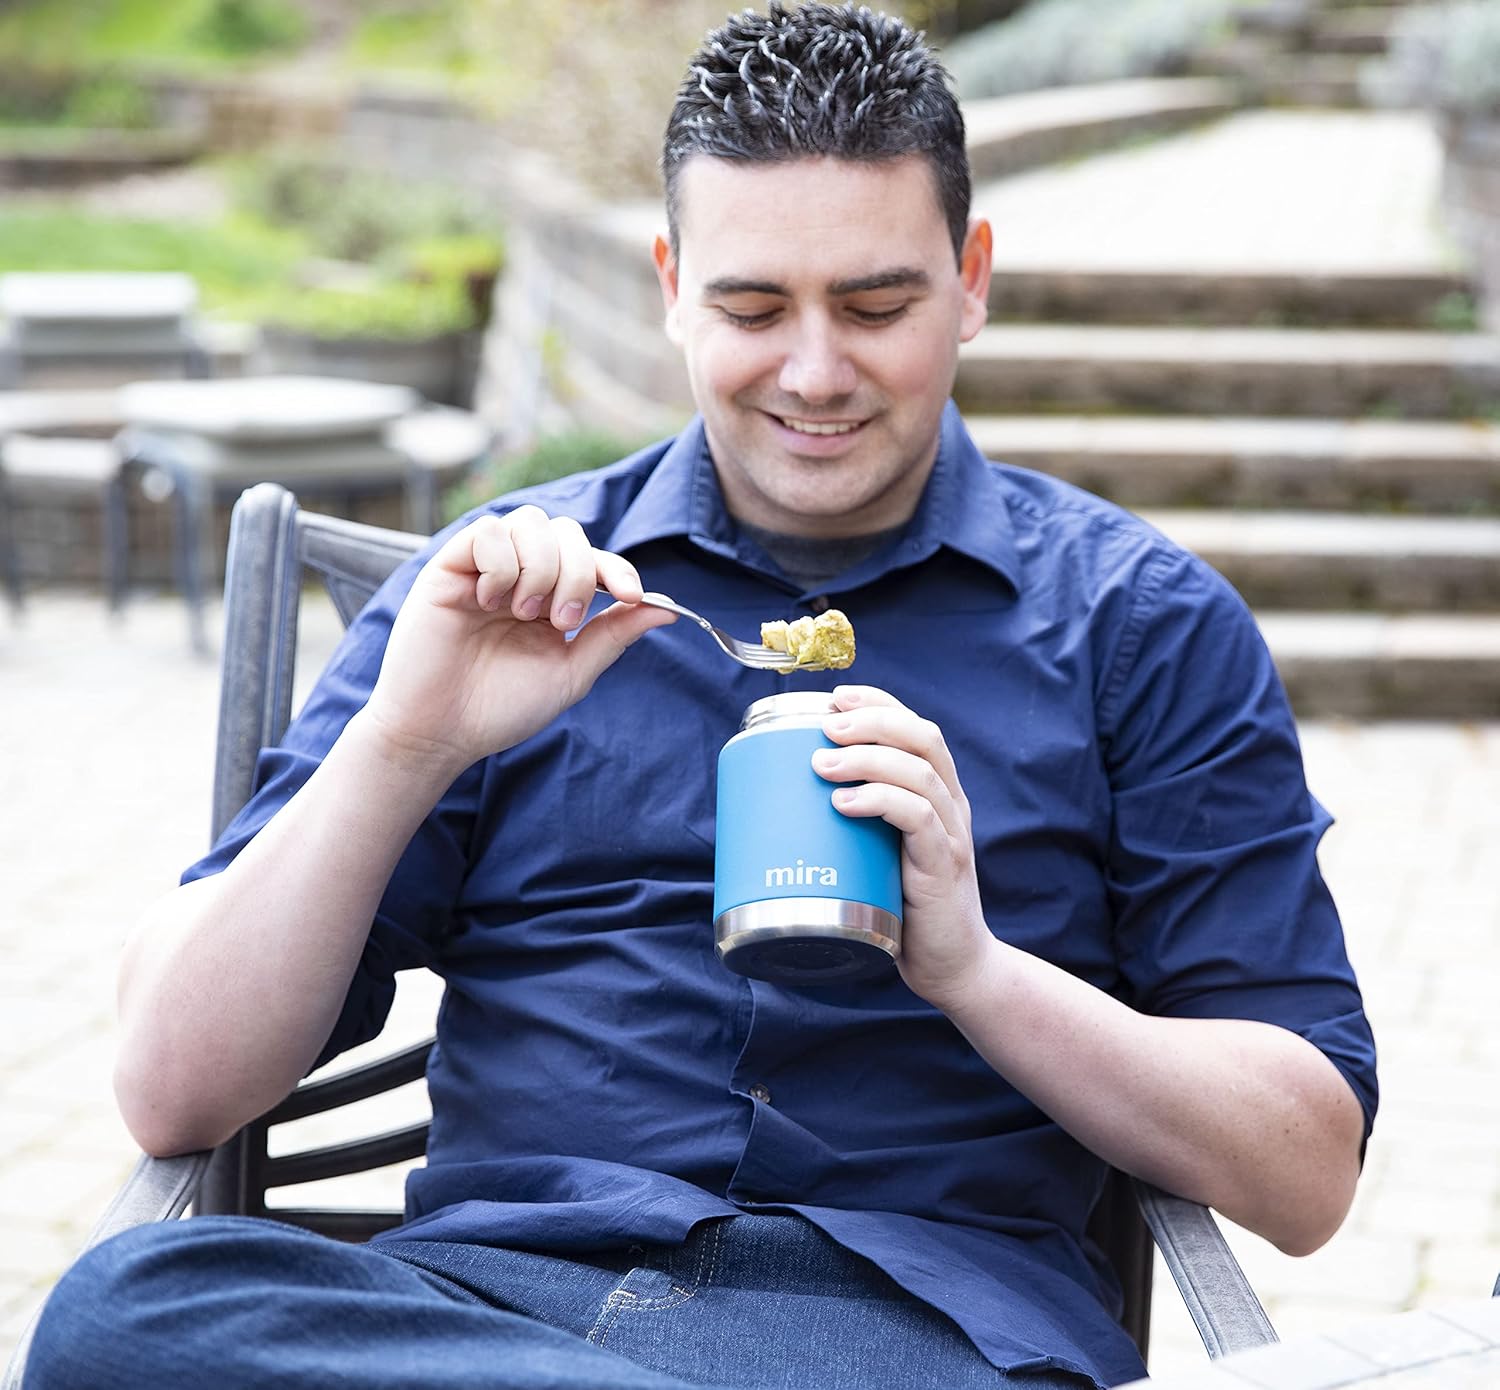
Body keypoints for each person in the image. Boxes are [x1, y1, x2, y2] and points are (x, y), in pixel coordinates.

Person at [24, 5, 1376, 1388]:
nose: (815, 373)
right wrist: (407, 742)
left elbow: (1306, 1171)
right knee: (122, 1308)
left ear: (970, 279)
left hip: (920, 1331)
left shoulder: (1140, 627)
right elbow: (173, 1086)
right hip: (497, 1305)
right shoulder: (496, 594)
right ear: (671, 285)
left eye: (876, 306)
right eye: (751, 309)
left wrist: (975, 969)